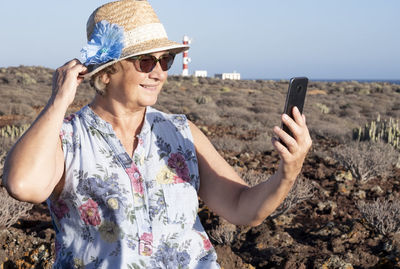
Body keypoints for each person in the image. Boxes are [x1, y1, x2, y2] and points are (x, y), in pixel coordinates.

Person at [2, 0, 312, 268]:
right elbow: (23, 185)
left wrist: (288, 172)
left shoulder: (180, 131)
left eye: (166, 60)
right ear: (107, 72)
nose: (159, 72)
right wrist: (59, 101)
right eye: (146, 60)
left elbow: (243, 208)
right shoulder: (67, 138)